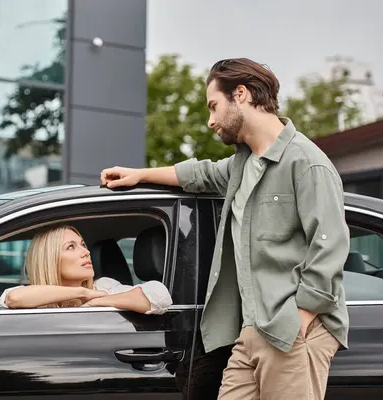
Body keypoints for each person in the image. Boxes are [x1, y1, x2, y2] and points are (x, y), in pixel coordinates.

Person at [100, 58, 349, 399]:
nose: (211, 120)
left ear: (241, 94)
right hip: (250, 332)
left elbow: (330, 246)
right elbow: (199, 174)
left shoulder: (307, 162)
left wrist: (298, 321)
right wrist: (139, 174)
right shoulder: (243, 163)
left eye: (214, 106)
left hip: (291, 328)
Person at [0, 225, 172, 314]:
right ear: (50, 260)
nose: (86, 252)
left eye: (83, 245)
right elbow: (13, 298)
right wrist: (81, 293)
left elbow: (160, 296)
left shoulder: (104, 287)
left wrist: (96, 302)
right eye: (71, 247)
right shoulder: (36, 297)